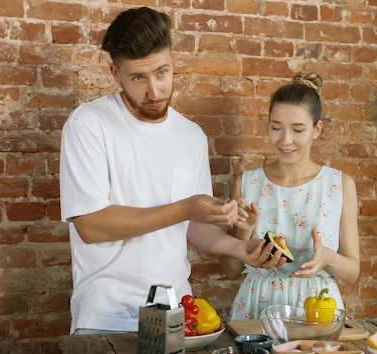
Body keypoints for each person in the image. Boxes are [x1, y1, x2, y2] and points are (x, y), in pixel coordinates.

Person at [59, 7, 281, 335]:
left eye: (162, 72)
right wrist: (184, 207)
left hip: (179, 316)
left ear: (173, 62)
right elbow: (91, 226)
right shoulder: (89, 124)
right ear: (115, 74)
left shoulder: (191, 136)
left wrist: (236, 247)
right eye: (138, 77)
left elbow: (192, 227)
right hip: (108, 320)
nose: (155, 91)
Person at [223, 71, 360, 320]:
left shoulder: (339, 185)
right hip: (256, 310)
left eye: (298, 130)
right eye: (276, 128)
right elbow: (230, 270)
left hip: (317, 311)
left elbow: (352, 273)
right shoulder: (247, 183)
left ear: (317, 129)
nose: (285, 140)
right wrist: (245, 231)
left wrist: (328, 257)